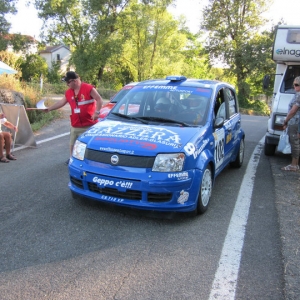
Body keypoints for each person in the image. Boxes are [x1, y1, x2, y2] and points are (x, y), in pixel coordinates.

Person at [45, 71, 103, 164]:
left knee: (89, 144)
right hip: (76, 124)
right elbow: (61, 102)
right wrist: (49, 109)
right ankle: (73, 159)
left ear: (74, 81)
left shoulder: (88, 88)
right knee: (73, 143)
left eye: (68, 82)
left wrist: (97, 112)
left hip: (89, 124)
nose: (67, 84)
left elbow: (99, 99)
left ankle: (92, 160)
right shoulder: (68, 92)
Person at [281, 76, 300, 171]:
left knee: (294, 143)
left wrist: (285, 121)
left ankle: (293, 165)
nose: (294, 87)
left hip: (295, 122)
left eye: (297, 85)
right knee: (296, 142)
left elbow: (293, 110)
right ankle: (295, 165)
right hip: (296, 122)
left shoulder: (299, 95)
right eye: (294, 85)